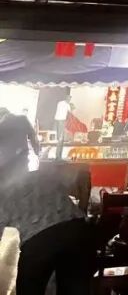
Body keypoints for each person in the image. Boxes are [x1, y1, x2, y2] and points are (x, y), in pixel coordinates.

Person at [0, 110, 93, 295]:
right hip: (78, 231)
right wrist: (83, 208)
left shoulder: (4, 190)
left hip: (40, 243)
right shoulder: (44, 175)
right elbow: (82, 178)